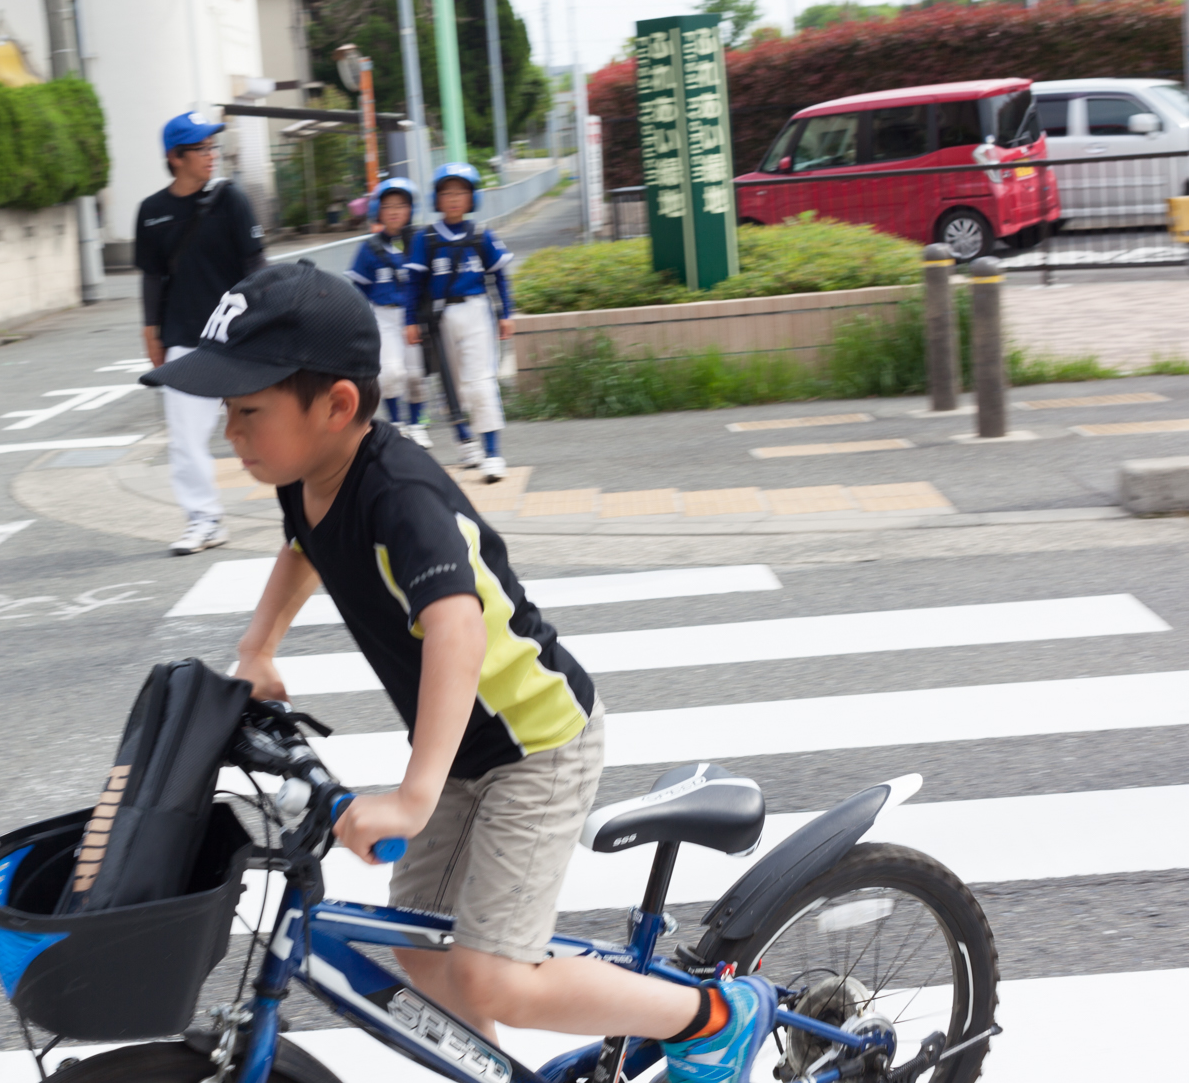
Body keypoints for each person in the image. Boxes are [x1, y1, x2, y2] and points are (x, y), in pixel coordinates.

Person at [138, 260, 774, 1082]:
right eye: (227, 410)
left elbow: (458, 629)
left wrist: (413, 791)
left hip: (536, 742)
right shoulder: (305, 475)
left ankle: (716, 1017)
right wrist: (259, 647)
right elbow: (304, 549)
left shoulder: (402, 496)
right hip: (463, 751)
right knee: (422, 948)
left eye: (248, 410)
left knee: (490, 974)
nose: (231, 431)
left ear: (335, 406)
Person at [134, 110, 266, 555]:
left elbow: (255, 268)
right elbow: (152, 277)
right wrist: (151, 330)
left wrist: (265, 323)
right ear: (175, 157)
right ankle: (204, 520)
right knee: (186, 438)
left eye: (213, 147)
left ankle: (309, 508)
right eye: (201, 149)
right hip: (185, 338)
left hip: (239, 336)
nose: (211, 156)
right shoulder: (151, 212)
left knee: (271, 427)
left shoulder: (232, 199)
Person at [403, 163, 512, 481]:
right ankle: (466, 443)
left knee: (481, 383)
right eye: (447, 192)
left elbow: (500, 276)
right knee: (453, 387)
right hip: (441, 317)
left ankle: (493, 454)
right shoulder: (426, 238)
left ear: (471, 197)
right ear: (437, 199)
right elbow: (413, 285)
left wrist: (507, 313)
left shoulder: (481, 235)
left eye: (461, 192)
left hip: (477, 312)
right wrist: (410, 321)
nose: (453, 198)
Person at [343, 176, 432, 448]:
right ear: (378, 211)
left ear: (410, 210)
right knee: (391, 373)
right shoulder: (369, 248)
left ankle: (418, 424)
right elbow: (358, 288)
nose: (394, 211)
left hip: (413, 317)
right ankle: (397, 424)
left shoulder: (421, 242)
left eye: (401, 205)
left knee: (416, 373)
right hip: (383, 317)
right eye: (388, 206)